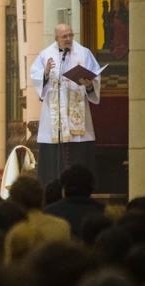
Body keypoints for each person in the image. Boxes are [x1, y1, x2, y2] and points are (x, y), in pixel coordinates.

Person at [31, 23, 102, 187]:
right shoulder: (45, 55)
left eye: (71, 35)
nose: (69, 39)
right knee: (54, 166)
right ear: (56, 38)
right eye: (64, 36)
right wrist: (46, 73)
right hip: (54, 121)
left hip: (78, 122)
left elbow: (95, 79)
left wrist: (89, 84)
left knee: (79, 159)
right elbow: (36, 81)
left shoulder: (84, 53)